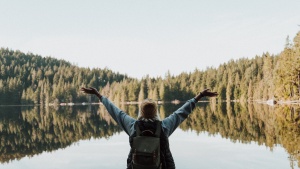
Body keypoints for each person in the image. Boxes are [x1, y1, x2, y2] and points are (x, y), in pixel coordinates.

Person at [81, 87, 218, 169]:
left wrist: (98, 94)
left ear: (140, 111)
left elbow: (115, 111)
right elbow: (182, 112)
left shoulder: (133, 126)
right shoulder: (163, 127)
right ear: (156, 112)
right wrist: (200, 95)